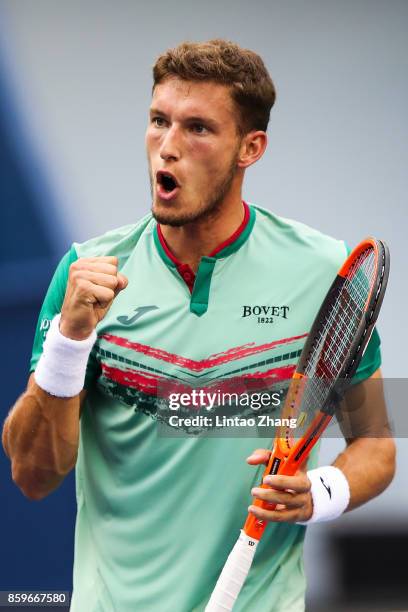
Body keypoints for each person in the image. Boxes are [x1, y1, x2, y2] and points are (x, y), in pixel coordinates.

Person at [2, 39, 395, 612]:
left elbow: (376, 443)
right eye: (158, 121)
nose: (168, 147)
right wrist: (69, 341)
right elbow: (33, 475)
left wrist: (318, 492)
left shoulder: (323, 273)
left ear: (249, 147)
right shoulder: (86, 274)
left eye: (198, 129)